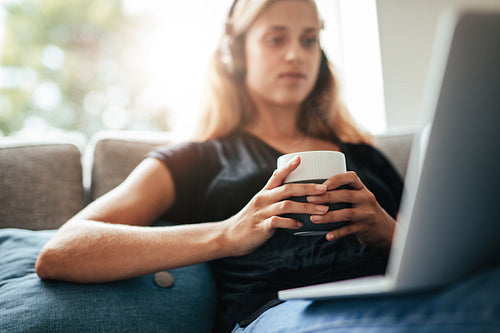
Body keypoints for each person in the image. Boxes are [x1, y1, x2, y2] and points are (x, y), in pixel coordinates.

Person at [34, 0, 499, 332]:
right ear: (236, 54)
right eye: (276, 39)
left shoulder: (367, 156)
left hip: (396, 300)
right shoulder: (197, 158)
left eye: (309, 39)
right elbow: (63, 250)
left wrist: (387, 230)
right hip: (278, 316)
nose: (296, 54)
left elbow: (443, 255)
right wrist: (228, 234)